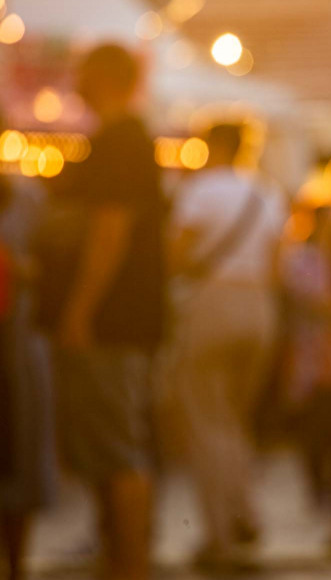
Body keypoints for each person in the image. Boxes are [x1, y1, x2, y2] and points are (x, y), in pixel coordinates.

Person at [34, 43, 166, 580]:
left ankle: (128, 564)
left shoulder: (122, 140)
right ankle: (120, 556)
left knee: (115, 447)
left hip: (110, 321)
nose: (73, 78)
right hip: (113, 318)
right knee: (109, 445)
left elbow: (111, 230)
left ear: (105, 76)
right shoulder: (121, 139)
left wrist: (80, 310)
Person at [160, 122, 286, 569]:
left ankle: (222, 537)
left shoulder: (199, 191)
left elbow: (176, 256)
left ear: (213, 146)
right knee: (233, 418)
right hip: (260, 307)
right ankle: (245, 511)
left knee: (205, 421)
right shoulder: (267, 195)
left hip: (213, 301)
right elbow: (276, 267)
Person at [0, 167, 56, 580]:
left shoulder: (28, 198)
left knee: (18, 455)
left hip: (15, 343)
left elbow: (53, 265)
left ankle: (17, 566)